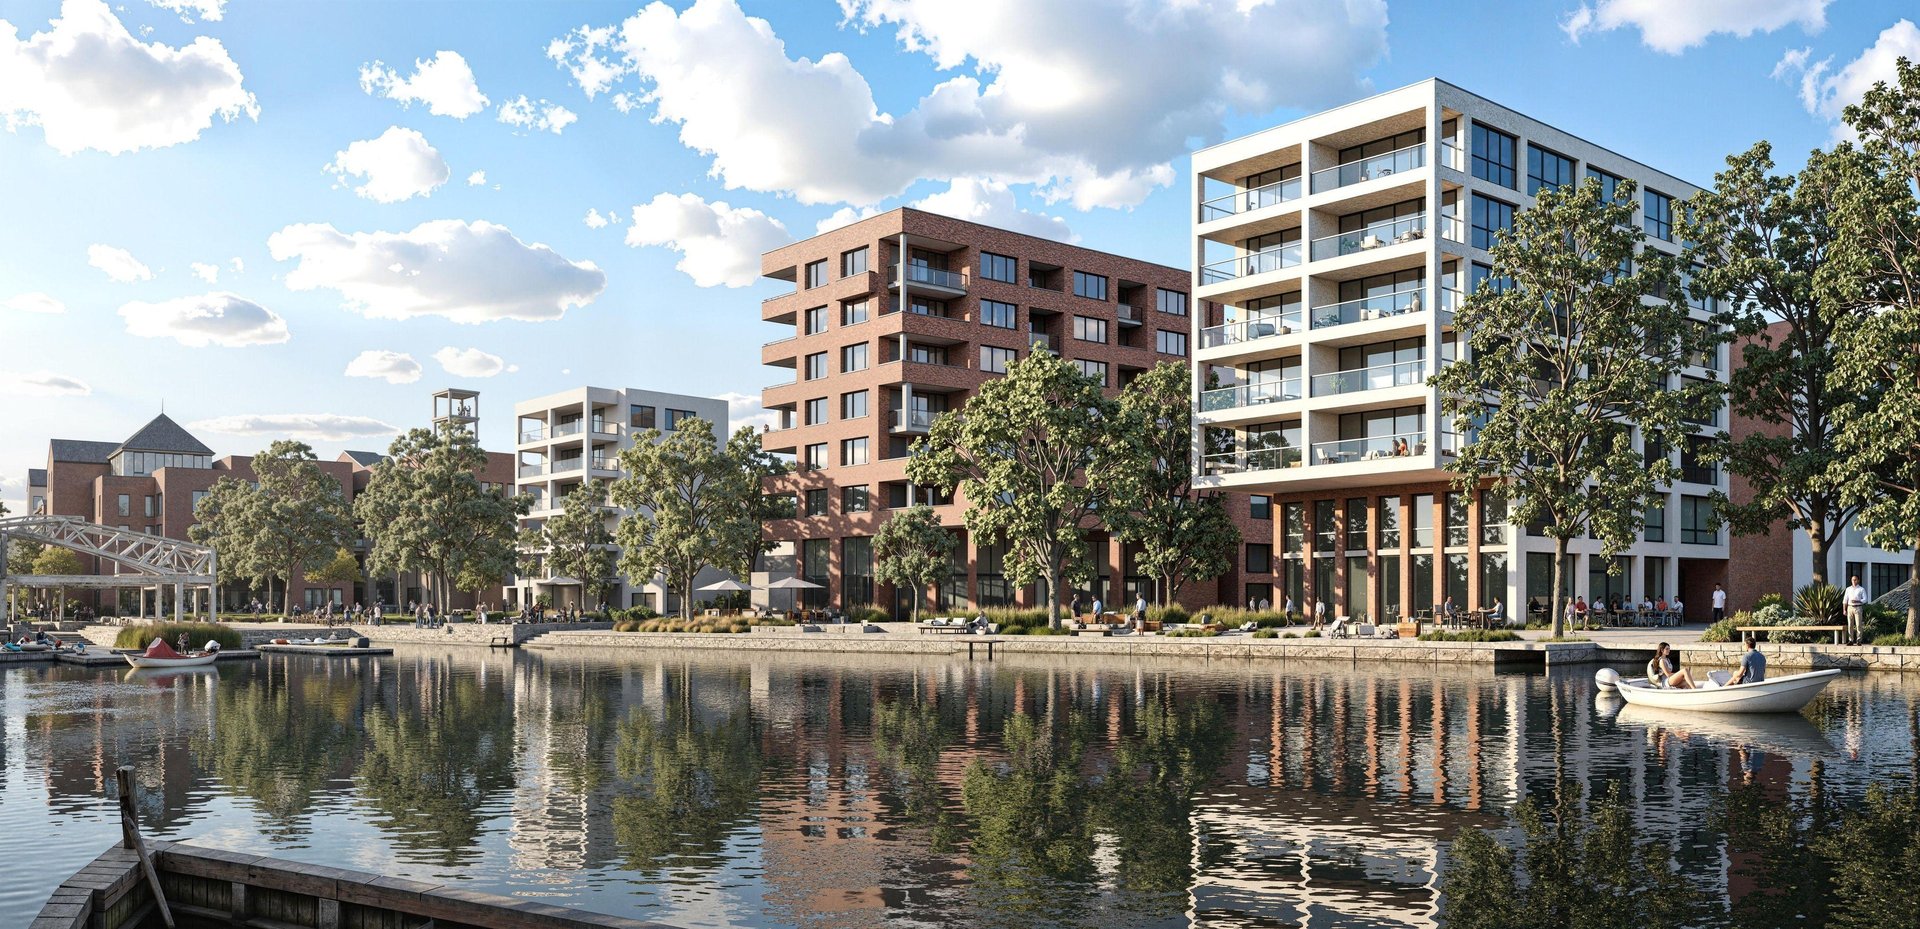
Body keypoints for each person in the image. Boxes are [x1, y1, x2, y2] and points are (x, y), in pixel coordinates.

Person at [1843, 575, 1869, 644]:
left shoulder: (1861, 589)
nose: (1854, 581)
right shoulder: (1848, 589)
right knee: (1850, 625)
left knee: (1858, 624)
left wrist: (1858, 601)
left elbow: (1865, 599)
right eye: (1852, 580)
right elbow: (1845, 600)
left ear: (1858, 580)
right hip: (1850, 607)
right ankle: (1850, 640)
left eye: (1855, 580)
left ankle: (1859, 640)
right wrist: (1844, 610)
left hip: (1858, 607)